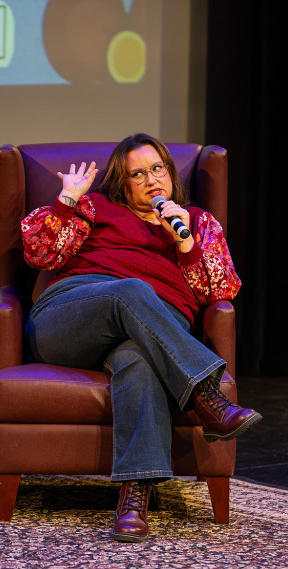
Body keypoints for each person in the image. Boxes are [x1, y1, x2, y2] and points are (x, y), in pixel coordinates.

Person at [20, 133, 262, 543]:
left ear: (170, 173)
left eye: (157, 169)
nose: (151, 180)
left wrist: (184, 243)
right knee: (130, 290)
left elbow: (219, 293)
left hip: (153, 329)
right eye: (137, 174)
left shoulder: (199, 223)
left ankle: (134, 497)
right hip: (71, 316)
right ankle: (207, 396)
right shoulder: (96, 208)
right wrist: (67, 202)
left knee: (138, 360)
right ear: (123, 182)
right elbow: (40, 254)